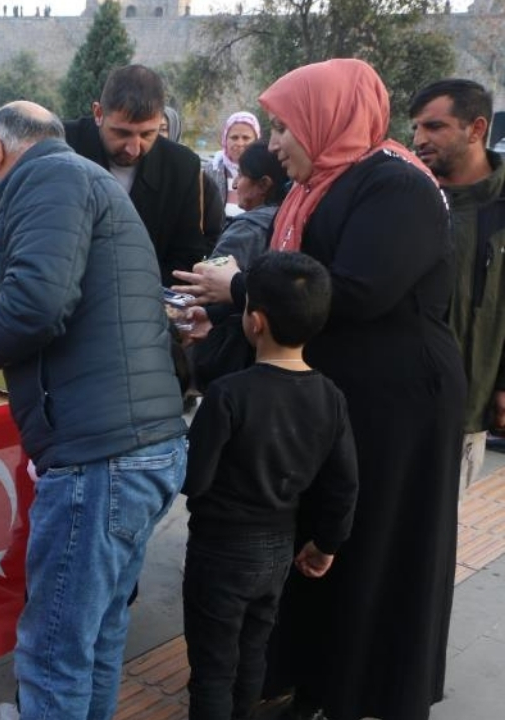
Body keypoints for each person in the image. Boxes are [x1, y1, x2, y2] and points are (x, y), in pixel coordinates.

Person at [172, 58, 465, 720]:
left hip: (399, 404)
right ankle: (313, 682)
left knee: (374, 544)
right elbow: (300, 295)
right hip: (346, 392)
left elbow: (355, 291)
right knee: (326, 542)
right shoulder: (324, 186)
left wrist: (239, 288)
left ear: (326, 118)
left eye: (284, 126)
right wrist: (228, 320)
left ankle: (362, 690)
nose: (274, 144)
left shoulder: (396, 186)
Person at [0, 101, 187, 720]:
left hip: (100, 455)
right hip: (142, 443)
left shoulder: (47, 178)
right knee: (96, 636)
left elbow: (38, 306)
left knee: (54, 652)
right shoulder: (84, 177)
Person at [182, 251, 358, 720]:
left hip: (219, 550)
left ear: (255, 321)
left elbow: (195, 479)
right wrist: (326, 544)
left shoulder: (229, 394)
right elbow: (343, 484)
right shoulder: (330, 396)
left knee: (213, 665)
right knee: (252, 652)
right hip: (280, 547)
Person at [408, 78, 505, 493]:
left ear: (476, 128)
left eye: (434, 126)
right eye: (416, 127)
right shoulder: (407, 196)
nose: (419, 139)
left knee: (441, 522)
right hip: (396, 400)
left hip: (465, 410)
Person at [64, 64, 212, 284]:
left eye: (147, 134)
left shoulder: (181, 167)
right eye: (122, 133)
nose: (133, 149)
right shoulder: (62, 147)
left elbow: (186, 257)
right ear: (98, 113)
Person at [186, 140, 290, 390]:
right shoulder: (290, 221)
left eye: (242, 175)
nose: (234, 184)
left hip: (231, 351)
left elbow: (207, 286)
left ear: (263, 185)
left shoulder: (247, 230)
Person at [204, 111, 261, 219]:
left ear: (256, 140)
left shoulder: (263, 172)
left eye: (246, 138)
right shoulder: (211, 171)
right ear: (225, 139)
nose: (239, 143)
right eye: (234, 138)